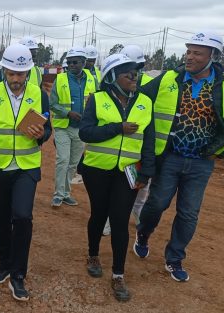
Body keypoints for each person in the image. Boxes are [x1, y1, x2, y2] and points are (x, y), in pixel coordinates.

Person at [133, 31, 224, 282]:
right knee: (157, 204)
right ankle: (143, 232)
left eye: (197, 53)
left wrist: (223, 149)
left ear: (212, 56)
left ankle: (174, 258)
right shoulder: (168, 79)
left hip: (201, 162)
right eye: (188, 51)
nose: (189, 57)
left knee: (189, 213)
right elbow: (140, 101)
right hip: (169, 157)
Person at [0, 43, 52, 301]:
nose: (16, 79)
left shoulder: (39, 95)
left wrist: (42, 135)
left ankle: (18, 274)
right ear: (4, 70)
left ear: (28, 72)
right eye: (12, 73)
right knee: (1, 219)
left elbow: (47, 129)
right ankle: (4, 263)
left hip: (26, 168)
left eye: (21, 74)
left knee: (22, 216)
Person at [79, 53, 156, 302]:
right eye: (129, 74)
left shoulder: (145, 102)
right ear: (113, 76)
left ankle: (118, 274)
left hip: (127, 173)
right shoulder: (98, 100)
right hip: (97, 170)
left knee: (120, 221)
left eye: (136, 73)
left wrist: (146, 172)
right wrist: (117, 128)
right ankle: (93, 255)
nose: (135, 77)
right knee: (99, 214)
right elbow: (86, 133)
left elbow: (149, 140)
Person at [50, 47, 96, 208]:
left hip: (81, 129)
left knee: (73, 163)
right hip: (63, 126)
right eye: (69, 62)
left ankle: (66, 194)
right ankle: (58, 194)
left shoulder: (91, 79)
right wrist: (67, 113)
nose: (71, 65)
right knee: (63, 160)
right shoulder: (60, 79)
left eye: (75, 62)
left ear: (83, 63)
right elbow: (53, 103)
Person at [120, 44, 154, 224]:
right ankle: (112, 219)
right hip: (118, 141)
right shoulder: (115, 81)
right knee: (117, 187)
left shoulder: (150, 83)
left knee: (142, 185)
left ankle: (138, 211)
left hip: (139, 141)